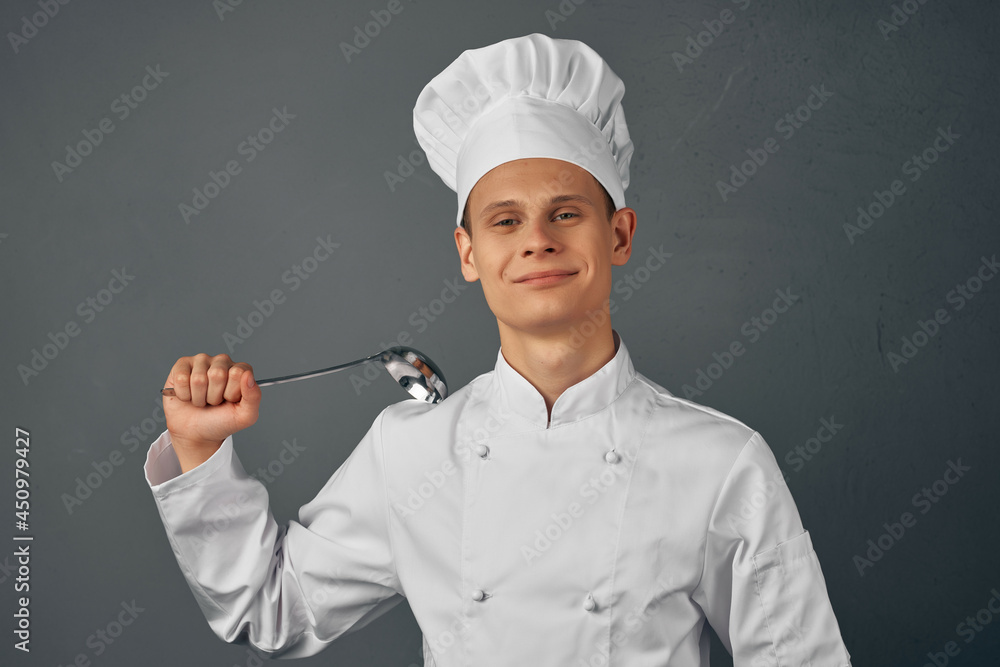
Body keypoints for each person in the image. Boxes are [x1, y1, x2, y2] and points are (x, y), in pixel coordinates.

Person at [146, 33, 852, 666]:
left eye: (566, 213)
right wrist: (200, 455)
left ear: (620, 235)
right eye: (505, 219)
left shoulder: (719, 462)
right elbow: (274, 612)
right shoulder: (410, 453)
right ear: (469, 252)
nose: (536, 240)